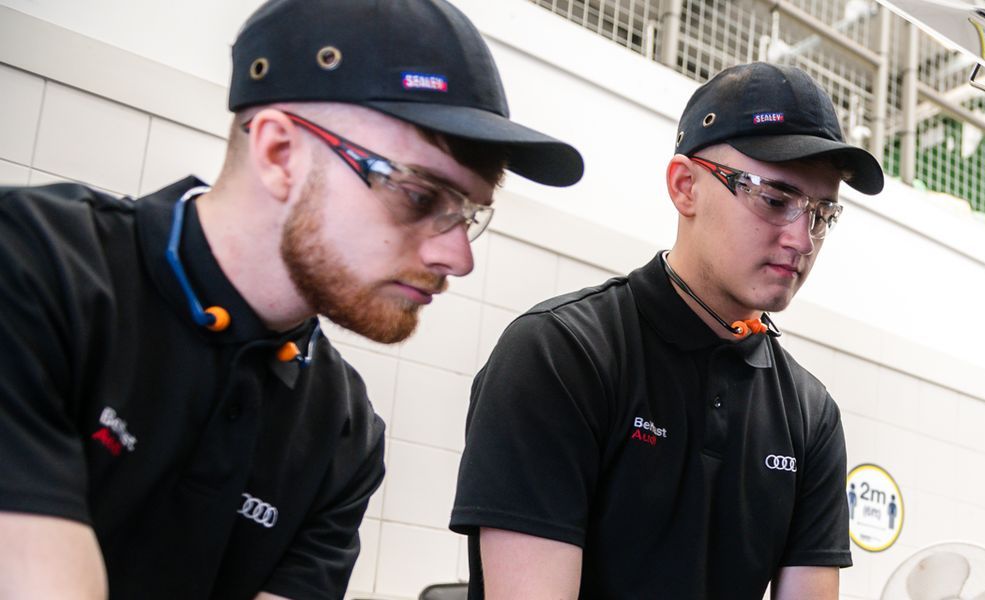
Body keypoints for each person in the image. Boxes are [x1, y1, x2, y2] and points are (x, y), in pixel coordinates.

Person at [0, 0, 582, 597]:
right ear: (279, 152)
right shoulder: (33, 267)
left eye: (468, 215)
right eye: (417, 196)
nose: (458, 258)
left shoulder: (344, 433)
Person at [451, 61, 884, 599]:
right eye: (775, 199)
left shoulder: (810, 414)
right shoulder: (562, 353)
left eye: (822, 214)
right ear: (685, 187)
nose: (803, 238)